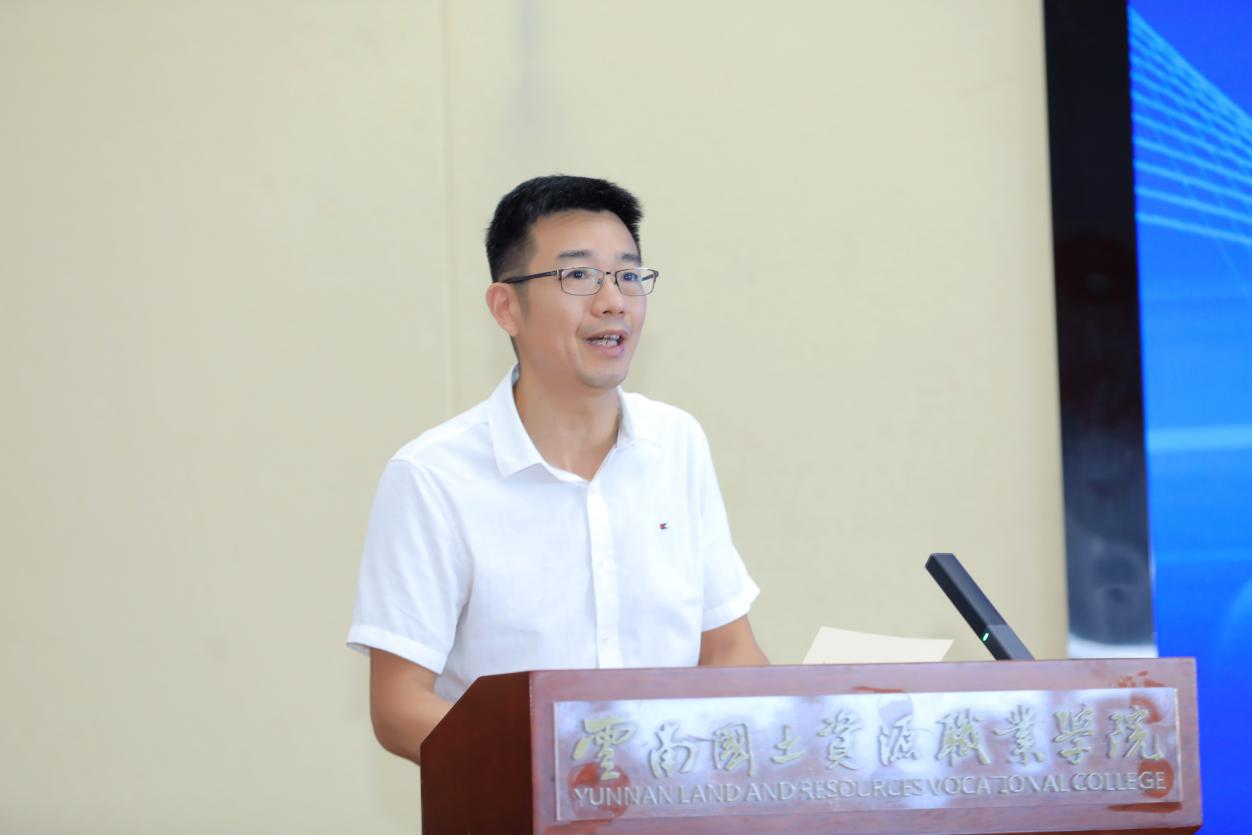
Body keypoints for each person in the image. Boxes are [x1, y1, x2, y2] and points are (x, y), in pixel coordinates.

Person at [347, 175, 766, 765]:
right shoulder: (432, 476)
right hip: (518, 803)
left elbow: (728, 651)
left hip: (672, 798)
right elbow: (399, 705)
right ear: (506, 307)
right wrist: (559, 771)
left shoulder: (676, 443)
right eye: (579, 275)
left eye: (628, 275)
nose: (613, 300)